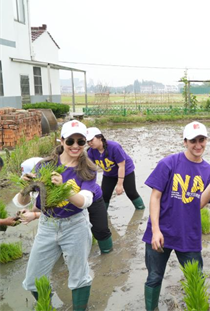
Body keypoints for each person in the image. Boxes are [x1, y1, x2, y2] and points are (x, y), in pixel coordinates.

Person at [141, 121, 210, 311]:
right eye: (193, 140)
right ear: (185, 142)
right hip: (161, 232)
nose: (198, 145)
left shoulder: (208, 170)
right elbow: (155, 197)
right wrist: (155, 230)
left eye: (202, 140)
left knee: (195, 278)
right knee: (154, 276)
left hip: (188, 234)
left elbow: (200, 204)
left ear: (206, 140)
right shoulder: (168, 163)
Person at [20, 120, 101, 311]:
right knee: (32, 280)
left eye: (81, 142)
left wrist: (63, 188)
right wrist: (26, 189)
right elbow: (22, 201)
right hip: (48, 225)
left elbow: (84, 201)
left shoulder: (88, 168)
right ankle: (46, 306)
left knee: (79, 278)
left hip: (75, 225)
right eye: (70, 141)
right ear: (62, 140)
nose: (75, 146)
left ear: (85, 143)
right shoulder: (44, 166)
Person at [15, 156, 114, 253]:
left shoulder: (57, 178)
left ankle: (107, 253)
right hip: (70, 204)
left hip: (91, 198)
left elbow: (63, 209)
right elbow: (43, 205)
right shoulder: (41, 185)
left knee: (100, 229)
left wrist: (35, 215)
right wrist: (29, 212)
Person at [86, 127, 145, 210]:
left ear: (100, 137)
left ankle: (141, 210)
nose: (90, 143)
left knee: (131, 192)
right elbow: (90, 169)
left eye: (91, 140)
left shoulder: (114, 147)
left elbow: (121, 166)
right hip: (109, 174)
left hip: (125, 171)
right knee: (104, 195)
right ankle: (102, 213)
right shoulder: (91, 152)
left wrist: (120, 184)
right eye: (88, 141)